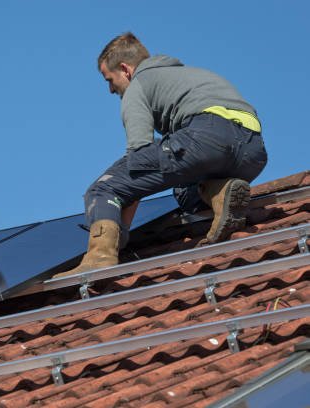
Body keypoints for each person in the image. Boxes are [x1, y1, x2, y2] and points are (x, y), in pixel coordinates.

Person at [54, 32, 267, 278]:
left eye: (109, 80)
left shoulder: (139, 85)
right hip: (253, 151)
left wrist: (120, 231)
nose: (111, 89)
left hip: (206, 138)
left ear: (125, 69)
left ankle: (99, 258)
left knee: (103, 188)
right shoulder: (189, 74)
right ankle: (222, 191)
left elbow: (139, 159)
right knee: (185, 192)